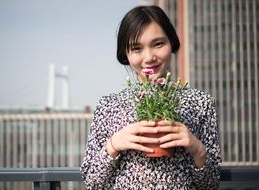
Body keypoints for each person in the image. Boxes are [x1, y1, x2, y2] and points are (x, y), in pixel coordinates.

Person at [81, 5, 221, 190]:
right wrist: (114, 145)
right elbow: (92, 182)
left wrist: (197, 148)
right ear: (126, 54)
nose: (148, 57)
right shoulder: (108, 106)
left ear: (171, 43)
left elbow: (210, 185)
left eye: (158, 44)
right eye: (136, 48)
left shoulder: (201, 103)